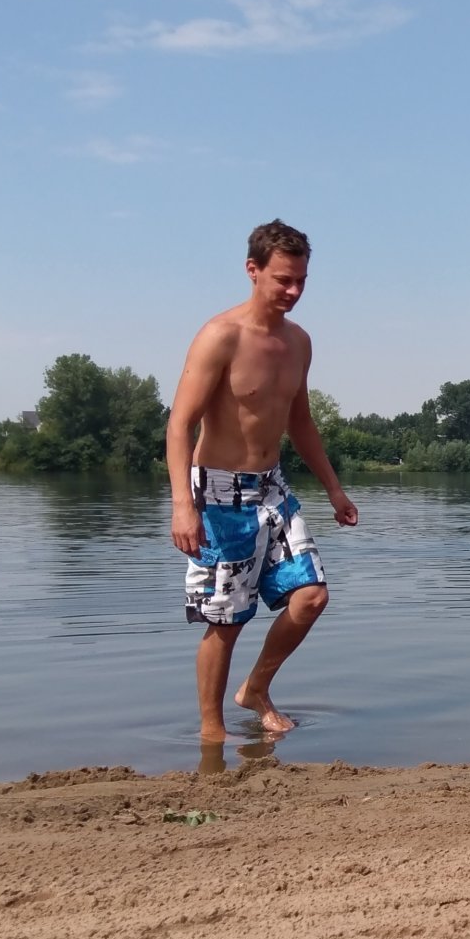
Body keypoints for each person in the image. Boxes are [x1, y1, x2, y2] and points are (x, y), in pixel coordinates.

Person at [168, 218, 359, 744]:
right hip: (219, 497)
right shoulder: (219, 337)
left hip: (273, 489)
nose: (293, 292)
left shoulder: (299, 342)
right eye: (282, 280)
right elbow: (179, 424)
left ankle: (256, 688)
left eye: (300, 281)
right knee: (226, 622)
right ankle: (212, 734)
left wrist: (334, 489)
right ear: (253, 271)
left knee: (311, 597)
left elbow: (301, 421)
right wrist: (183, 505)